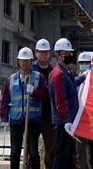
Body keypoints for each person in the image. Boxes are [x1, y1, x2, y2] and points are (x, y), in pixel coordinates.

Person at [1, 47, 48, 169]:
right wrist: (4, 116)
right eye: (22, 60)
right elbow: (6, 98)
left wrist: (35, 93)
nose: (25, 63)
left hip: (32, 120)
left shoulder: (38, 77)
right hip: (16, 120)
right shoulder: (11, 79)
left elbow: (45, 95)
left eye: (27, 60)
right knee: (15, 151)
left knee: (33, 151)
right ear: (18, 61)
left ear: (31, 61)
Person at [48, 38, 79, 169]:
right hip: (63, 122)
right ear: (57, 55)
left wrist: (84, 77)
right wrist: (66, 120)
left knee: (69, 154)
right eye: (65, 53)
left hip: (70, 120)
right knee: (61, 153)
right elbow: (60, 100)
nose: (68, 55)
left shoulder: (68, 72)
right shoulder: (58, 74)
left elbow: (72, 85)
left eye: (70, 53)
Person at [32, 38, 56, 168]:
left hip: (49, 114)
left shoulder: (54, 70)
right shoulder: (30, 68)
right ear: (36, 53)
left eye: (46, 52)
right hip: (33, 114)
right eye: (41, 52)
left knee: (51, 147)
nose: (43, 55)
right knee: (31, 148)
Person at [75, 51, 93, 169]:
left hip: (92, 121)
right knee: (80, 150)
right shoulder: (74, 80)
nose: (84, 65)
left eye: (87, 63)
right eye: (82, 63)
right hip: (79, 120)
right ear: (78, 64)